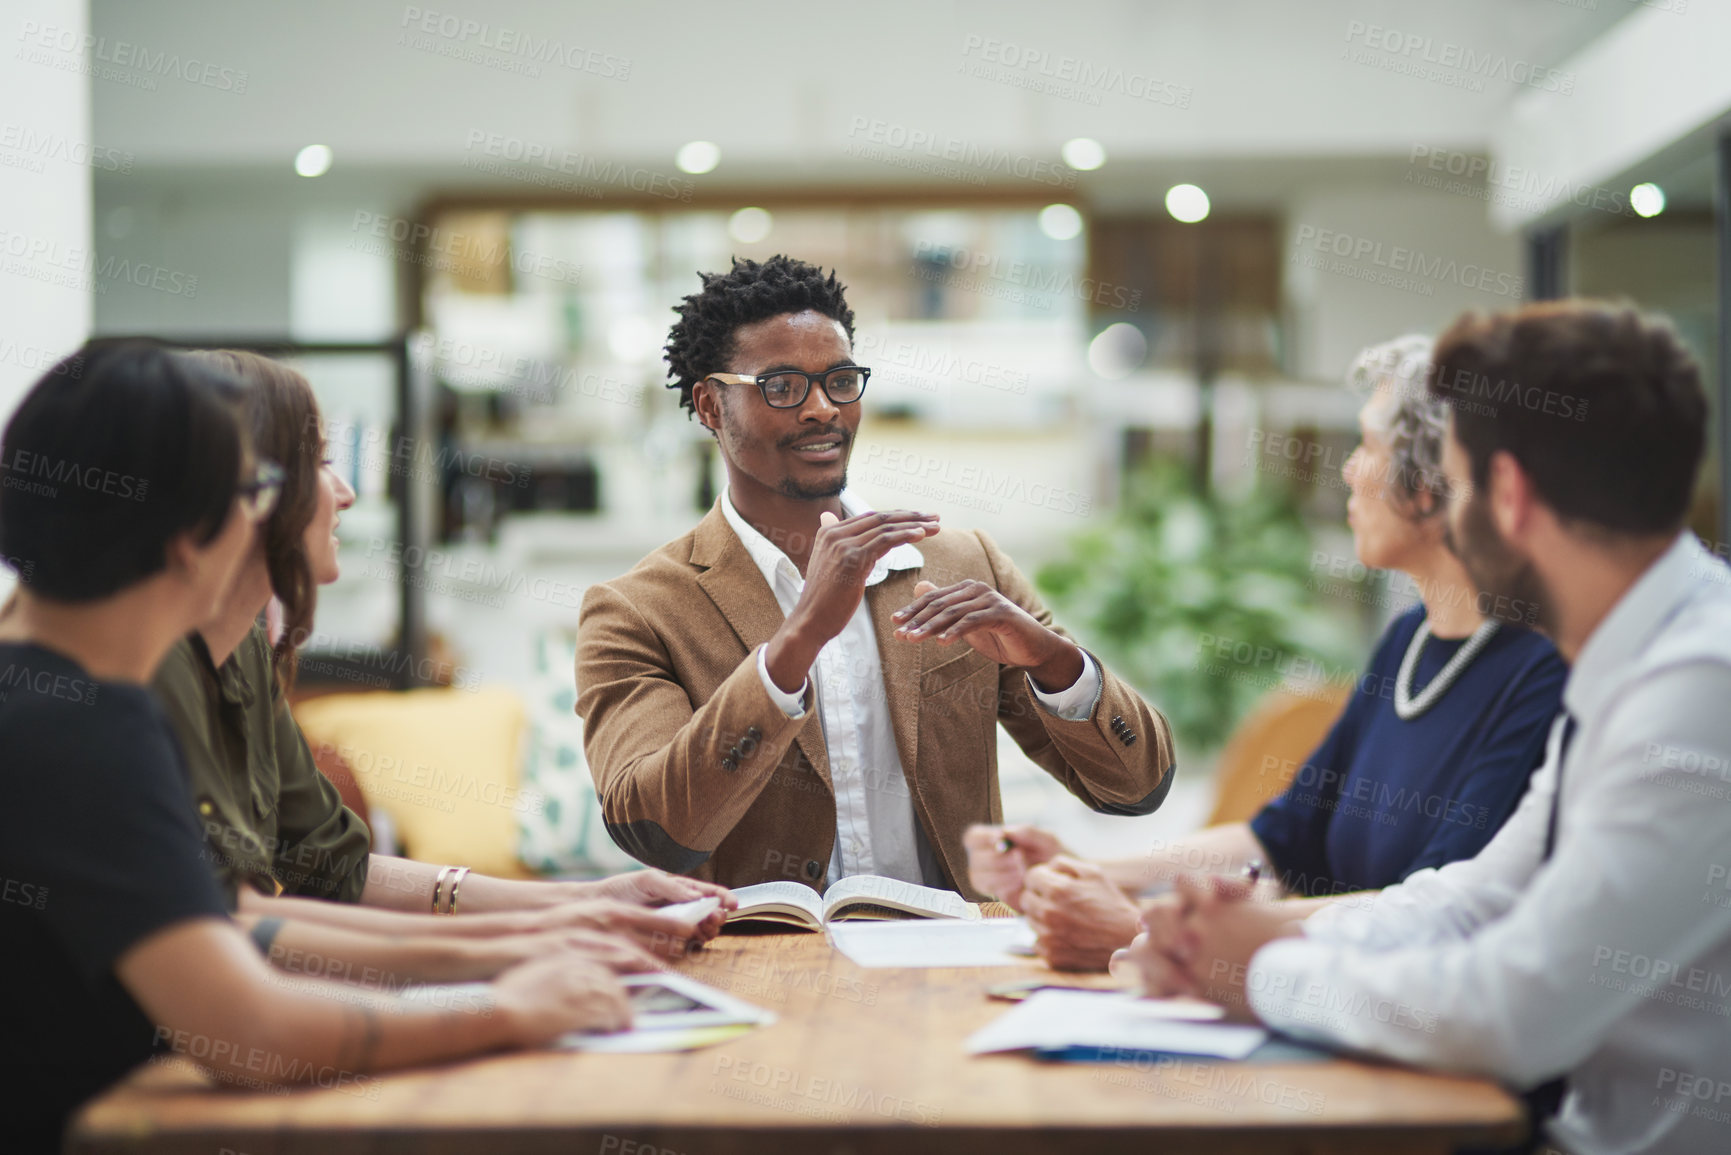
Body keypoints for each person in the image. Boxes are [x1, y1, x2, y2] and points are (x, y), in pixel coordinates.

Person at [1122, 300, 1731, 1155]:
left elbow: (1510, 1013)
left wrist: (1258, 970)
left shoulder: (1699, 686)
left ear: (1508, 494)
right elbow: (1475, 896)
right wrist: (1241, 938)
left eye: (1457, 477)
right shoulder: (1632, 652)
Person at [0, 342, 630, 1154]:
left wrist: (522, 945)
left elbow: (227, 924)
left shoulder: (54, 698)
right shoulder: (85, 729)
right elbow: (246, 1030)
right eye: (257, 489)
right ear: (192, 535)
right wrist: (510, 1007)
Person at [576, 255, 1175, 894]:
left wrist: (1053, 662)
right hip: (758, 970)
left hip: (950, 965)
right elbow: (655, 827)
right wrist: (796, 643)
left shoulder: (963, 563)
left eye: (839, 380)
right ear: (709, 406)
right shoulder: (636, 610)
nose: (820, 409)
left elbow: (1134, 788)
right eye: (781, 386)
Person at [964, 337, 1566, 969]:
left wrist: (1155, 932)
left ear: (1426, 487)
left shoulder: (1543, 670)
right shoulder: (1408, 641)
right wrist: (1089, 870)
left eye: (1367, 445)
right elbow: (1283, 839)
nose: (1349, 468)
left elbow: (1432, 911)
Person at [150, 349, 731, 977]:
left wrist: (585, 899)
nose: (344, 494)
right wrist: (536, 943)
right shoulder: (146, 675)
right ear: (243, 488)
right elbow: (229, 929)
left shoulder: (244, 653)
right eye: (320, 465)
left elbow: (333, 868)